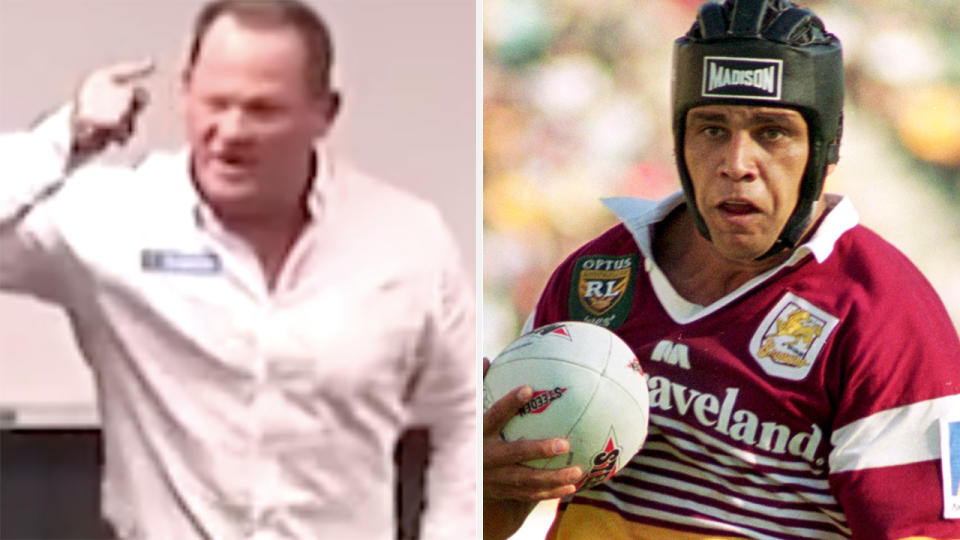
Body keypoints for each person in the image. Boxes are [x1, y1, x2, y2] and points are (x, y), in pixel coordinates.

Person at [483, 0, 960, 538]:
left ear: (824, 149)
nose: (737, 163)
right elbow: (492, 514)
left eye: (772, 132)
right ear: (680, 142)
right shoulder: (598, 276)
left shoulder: (885, 316)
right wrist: (481, 483)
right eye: (712, 129)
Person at [0, 0, 475, 538]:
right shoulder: (115, 223)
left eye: (262, 109)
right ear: (184, 93)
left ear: (325, 112)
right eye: (215, 103)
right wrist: (68, 135)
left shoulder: (406, 239)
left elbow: (466, 417)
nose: (229, 132)